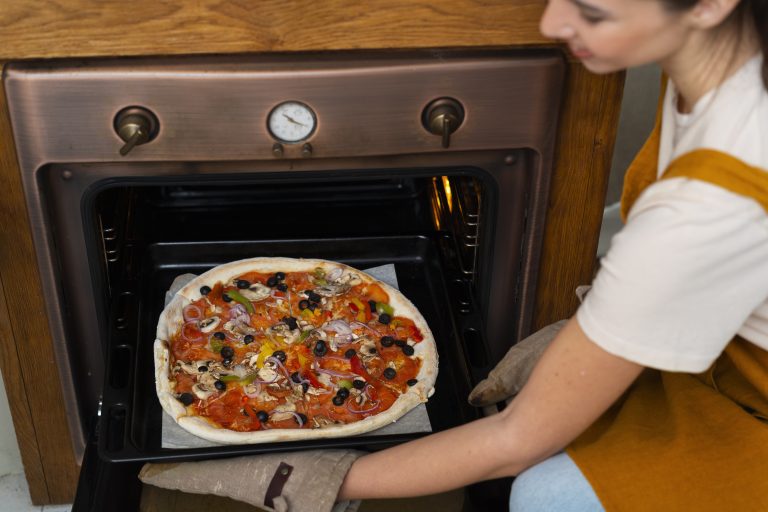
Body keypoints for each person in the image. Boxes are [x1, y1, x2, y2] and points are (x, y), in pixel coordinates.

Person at [337, 0, 768, 508]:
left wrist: (310, 478)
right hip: (724, 347)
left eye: (592, 12)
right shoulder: (719, 55)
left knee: (546, 496)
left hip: (748, 399)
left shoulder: (712, 198)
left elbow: (514, 442)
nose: (551, 24)